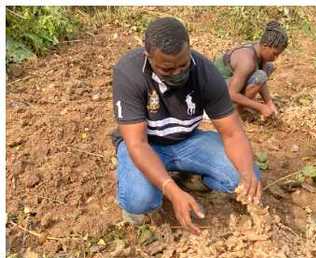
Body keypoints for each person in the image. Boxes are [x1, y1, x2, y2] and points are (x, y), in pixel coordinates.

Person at [112, 17, 262, 234]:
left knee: (244, 176)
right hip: (146, 145)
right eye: (167, 69)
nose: (177, 73)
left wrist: (247, 173)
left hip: (187, 141)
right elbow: (137, 144)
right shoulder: (130, 73)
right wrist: (171, 191)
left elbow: (232, 133)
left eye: (183, 65)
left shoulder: (205, 72)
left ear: (189, 49)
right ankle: (137, 182)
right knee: (140, 199)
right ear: (149, 57)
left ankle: (187, 174)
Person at [216, 20, 288, 119]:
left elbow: (261, 82)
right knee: (260, 76)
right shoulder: (247, 61)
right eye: (275, 54)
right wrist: (260, 107)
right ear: (265, 46)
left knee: (268, 68)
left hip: (227, 85)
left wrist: (269, 103)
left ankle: (238, 108)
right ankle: (232, 114)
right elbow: (231, 93)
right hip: (213, 94)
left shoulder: (258, 50)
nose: (276, 58)